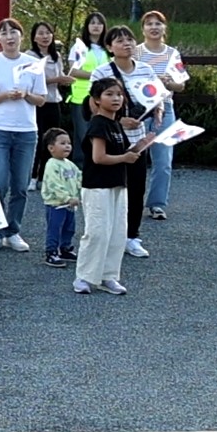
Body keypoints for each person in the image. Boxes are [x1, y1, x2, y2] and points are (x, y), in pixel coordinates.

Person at [0, 17, 45, 253]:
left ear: (21, 36)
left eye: (14, 32)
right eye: (4, 33)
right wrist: (5, 95)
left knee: (20, 185)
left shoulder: (33, 63)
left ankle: (13, 230)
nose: (9, 37)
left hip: (26, 131)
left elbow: (42, 99)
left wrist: (26, 94)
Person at [76, 78, 142, 295]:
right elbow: (99, 157)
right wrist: (125, 157)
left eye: (119, 94)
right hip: (97, 185)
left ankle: (109, 276)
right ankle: (85, 277)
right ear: (96, 100)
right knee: (97, 232)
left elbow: (120, 150)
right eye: (109, 94)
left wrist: (139, 147)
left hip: (117, 184)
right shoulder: (98, 124)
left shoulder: (116, 124)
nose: (116, 99)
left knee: (117, 232)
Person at [97, 26, 158, 260]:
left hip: (138, 139)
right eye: (119, 40)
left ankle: (132, 236)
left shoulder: (145, 69)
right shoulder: (102, 72)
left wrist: (158, 110)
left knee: (136, 187)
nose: (126, 44)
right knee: (110, 189)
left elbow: (156, 97)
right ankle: (109, 236)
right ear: (110, 47)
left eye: (129, 39)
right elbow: (92, 104)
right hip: (111, 137)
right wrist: (119, 119)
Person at [135, 10, 186, 221]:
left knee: (163, 161)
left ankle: (157, 204)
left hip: (165, 110)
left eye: (158, 24)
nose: (154, 27)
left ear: (164, 28)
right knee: (134, 157)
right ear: (143, 29)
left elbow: (181, 85)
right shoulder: (136, 52)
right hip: (139, 110)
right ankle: (131, 201)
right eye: (149, 24)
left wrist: (168, 82)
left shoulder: (172, 53)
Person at [28, 22, 73, 189]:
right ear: (34, 37)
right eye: (41, 33)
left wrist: (66, 79)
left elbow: (60, 76)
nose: (45, 36)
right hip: (38, 103)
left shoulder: (56, 56)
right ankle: (32, 177)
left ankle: (46, 177)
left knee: (53, 141)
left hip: (54, 102)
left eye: (48, 33)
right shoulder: (30, 55)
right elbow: (31, 80)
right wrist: (57, 80)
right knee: (38, 140)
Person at [65, 12, 110, 164]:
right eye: (93, 23)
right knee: (84, 136)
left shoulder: (108, 49)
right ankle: (81, 169)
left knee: (101, 135)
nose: (96, 26)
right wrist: (96, 75)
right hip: (81, 98)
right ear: (87, 27)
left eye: (99, 23)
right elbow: (73, 71)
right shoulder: (79, 47)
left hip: (104, 99)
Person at [38, 127, 81, 268]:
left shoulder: (70, 165)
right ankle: (51, 252)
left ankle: (65, 248)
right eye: (62, 143)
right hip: (56, 204)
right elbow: (54, 185)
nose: (67, 146)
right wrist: (67, 197)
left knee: (69, 227)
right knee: (55, 228)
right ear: (51, 148)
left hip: (70, 204)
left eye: (69, 143)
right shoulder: (51, 165)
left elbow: (79, 178)